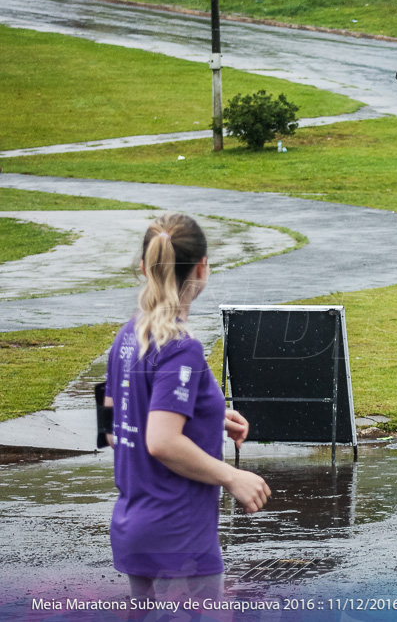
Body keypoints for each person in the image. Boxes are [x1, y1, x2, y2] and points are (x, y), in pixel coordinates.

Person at [105, 212, 271, 603]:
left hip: (135, 531)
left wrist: (207, 419)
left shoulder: (127, 337)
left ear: (146, 268)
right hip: (178, 536)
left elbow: (112, 425)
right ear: (202, 268)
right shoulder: (182, 347)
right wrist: (232, 477)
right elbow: (161, 442)